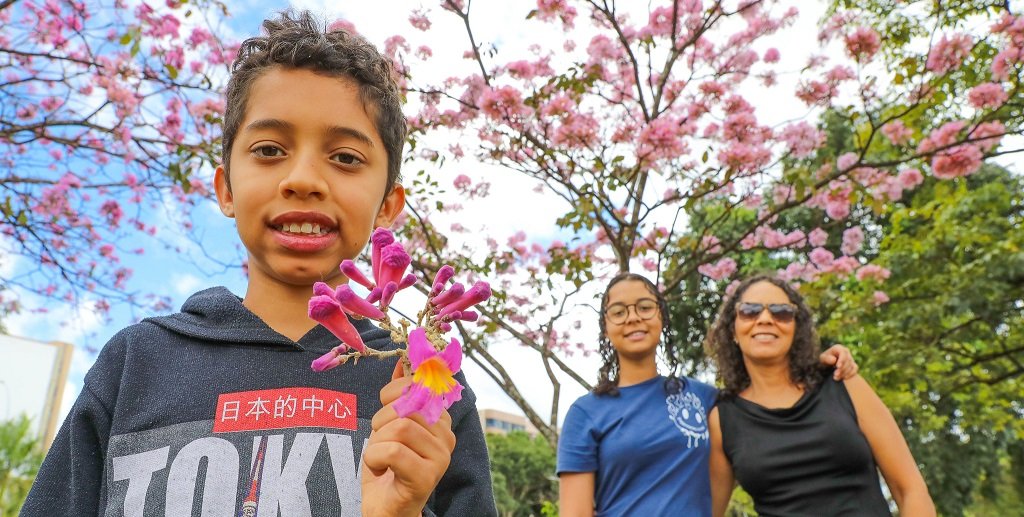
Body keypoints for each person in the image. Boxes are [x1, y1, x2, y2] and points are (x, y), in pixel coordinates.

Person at [22, 10, 495, 517]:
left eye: (346, 157)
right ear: (226, 188)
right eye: (269, 149)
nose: (304, 178)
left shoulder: (422, 384)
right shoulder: (136, 362)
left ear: (387, 205)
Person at [556, 272, 858, 516]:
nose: (633, 318)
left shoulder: (705, 398)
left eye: (645, 307)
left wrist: (816, 365)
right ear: (606, 327)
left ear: (661, 317)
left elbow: (768, 393)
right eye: (618, 312)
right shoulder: (586, 414)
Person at [705, 274, 935, 517]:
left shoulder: (842, 382)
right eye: (749, 311)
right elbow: (705, 511)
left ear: (796, 328)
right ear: (732, 330)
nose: (765, 319)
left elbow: (910, 490)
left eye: (781, 312)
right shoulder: (723, 420)